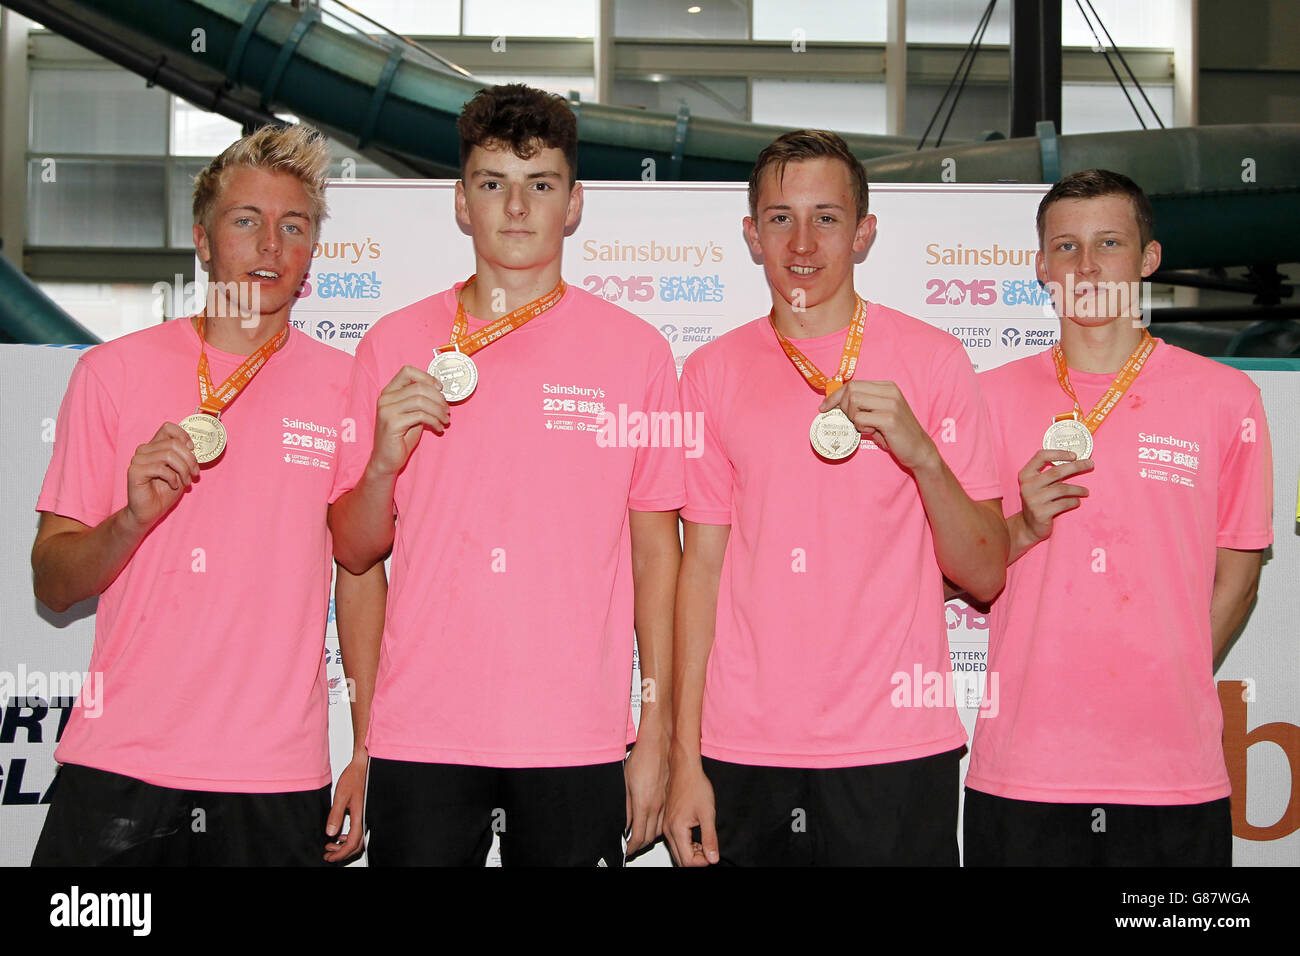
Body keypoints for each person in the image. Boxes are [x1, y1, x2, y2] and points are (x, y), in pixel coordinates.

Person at [327, 83, 683, 867]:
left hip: (575, 737)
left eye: (540, 184)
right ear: (461, 202)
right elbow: (353, 551)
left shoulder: (637, 353)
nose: (516, 207)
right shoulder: (393, 344)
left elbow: (659, 556)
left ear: (575, 202)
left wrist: (654, 735)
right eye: (493, 184)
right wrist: (385, 458)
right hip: (423, 735)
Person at [30, 123, 382, 866]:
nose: (270, 245)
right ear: (202, 237)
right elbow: (54, 582)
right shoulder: (111, 374)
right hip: (121, 764)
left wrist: (368, 743)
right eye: (246, 221)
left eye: (294, 226)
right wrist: (129, 522)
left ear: (311, 254)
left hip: (275, 778)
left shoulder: (347, 386)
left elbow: (358, 571)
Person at [665, 129, 1008, 867]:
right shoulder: (711, 372)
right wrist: (683, 755)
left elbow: (985, 573)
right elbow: (701, 574)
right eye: (781, 218)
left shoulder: (935, 360)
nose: (802, 243)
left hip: (896, 747)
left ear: (864, 233)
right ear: (752, 235)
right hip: (744, 747)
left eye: (826, 217)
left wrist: (921, 455)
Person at [963, 168, 1273, 866]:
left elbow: (1240, 575)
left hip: (1172, 773)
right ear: (1040, 265)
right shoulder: (984, 399)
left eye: (1109, 242)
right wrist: (1017, 529)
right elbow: (957, 570)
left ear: (1148, 259)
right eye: (1065, 247)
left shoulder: (1226, 398)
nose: (1087, 265)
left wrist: (1169, 675)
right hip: (1023, 767)